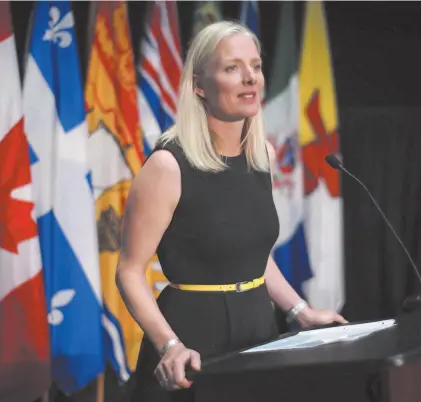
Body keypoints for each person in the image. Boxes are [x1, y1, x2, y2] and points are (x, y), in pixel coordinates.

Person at [116, 21, 347, 402]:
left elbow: (253, 257)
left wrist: (299, 311)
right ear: (199, 85)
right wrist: (169, 344)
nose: (250, 78)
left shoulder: (263, 157)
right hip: (192, 338)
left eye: (255, 66)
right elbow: (128, 271)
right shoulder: (167, 166)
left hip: (258, 329)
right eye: (231, 68)